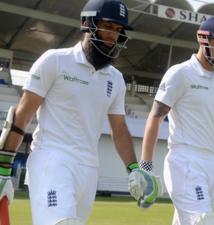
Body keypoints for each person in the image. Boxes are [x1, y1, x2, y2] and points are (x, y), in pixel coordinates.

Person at [0, 1, 155, 224]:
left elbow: (119, 130)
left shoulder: (116, 79)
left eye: (118, 30)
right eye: (108, 27)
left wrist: (134, 169)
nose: (113, 36)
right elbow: (21, 116)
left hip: (89, 169)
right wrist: (4, 168)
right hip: (51, 159)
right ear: (87, 23)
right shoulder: (55, 60)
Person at [140, 17, 214, 225]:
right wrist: (145, 168)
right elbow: (156, 116)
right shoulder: (181, 73)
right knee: (203, 221)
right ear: (202, 39)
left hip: (211, 164)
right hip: (185, 161)